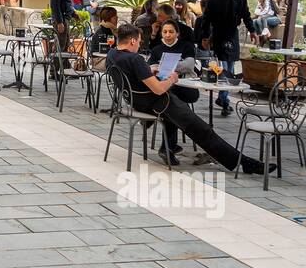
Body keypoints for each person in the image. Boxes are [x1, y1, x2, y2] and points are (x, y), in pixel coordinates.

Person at [107, 25, 270, 172]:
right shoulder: (134, 59)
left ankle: (169, 148)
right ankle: (244, 162)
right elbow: (158, 90)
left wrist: (149, 70)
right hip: (158, 103)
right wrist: (172, 78)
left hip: (136, 102)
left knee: (179, 115)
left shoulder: (113, 54)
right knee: (203, 131)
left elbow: (132, 75)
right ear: (133, 41)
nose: (139, 45)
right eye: (139, 42)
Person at [194, 0, 256, 116]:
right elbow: (207, 18)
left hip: (232, 34)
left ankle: (223, 99)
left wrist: (253, 30)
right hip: (218, 34)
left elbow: (246, 15)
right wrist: (204, 36)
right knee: (220, 67)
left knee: (231, 68)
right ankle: (224, 100)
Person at [149, 19, 202, 160]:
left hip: (187, 88)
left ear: (177, 33)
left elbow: (189, 65)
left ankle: (168, 146)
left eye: (171, 32)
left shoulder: (186, 46)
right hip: (167, 89)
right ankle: (168, 148)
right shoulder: (156, 49)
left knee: (170, 102)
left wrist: (165, 65)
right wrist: (174, 65)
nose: (167, 35)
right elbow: (151, 68)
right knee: (172, 105)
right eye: (165, 32)